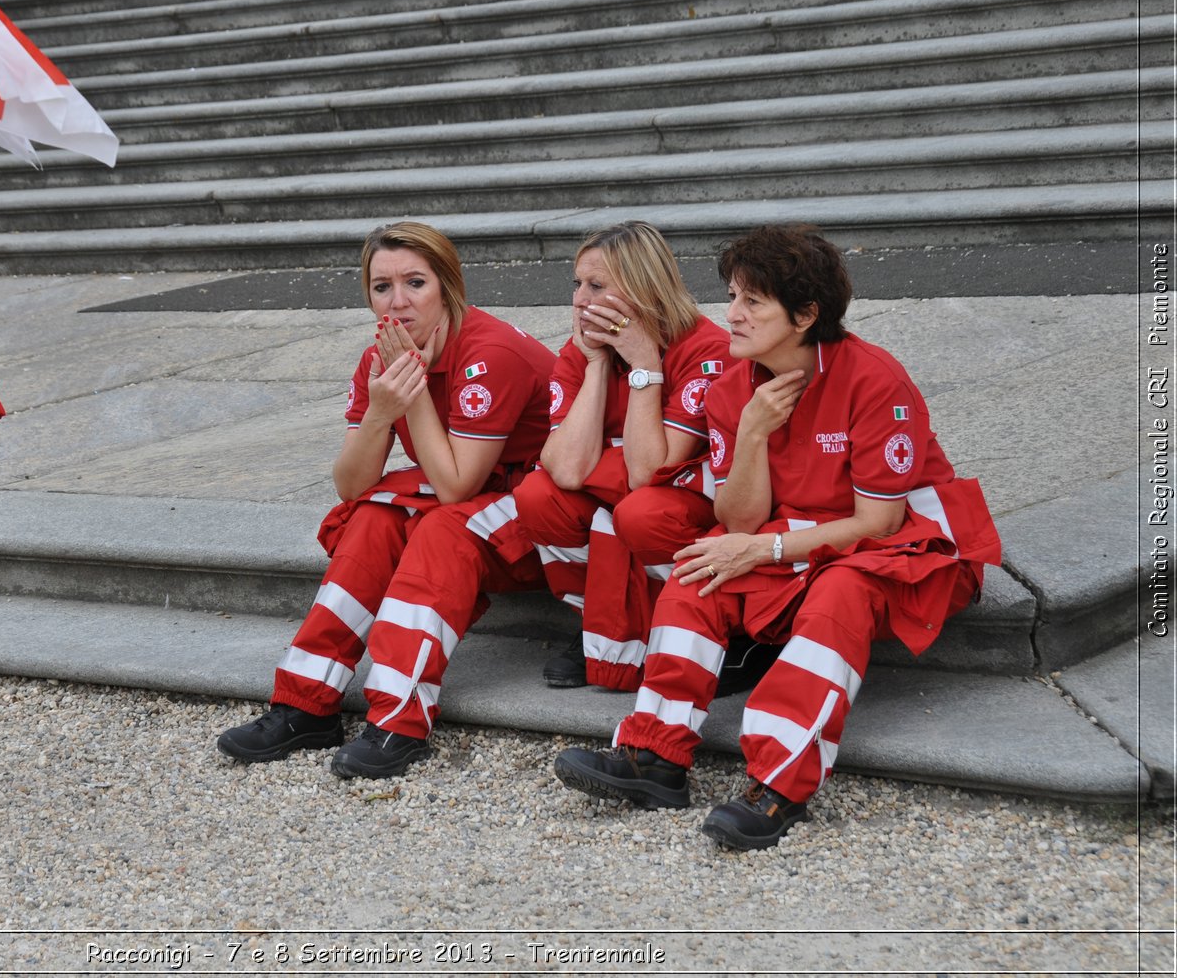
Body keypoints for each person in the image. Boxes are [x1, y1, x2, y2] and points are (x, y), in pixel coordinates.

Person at [552, 224, 1001, 850]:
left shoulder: (875, 380)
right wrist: (755, 434)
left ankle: (777, 785)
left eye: (751, 302)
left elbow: (880, 524)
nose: (730, 315)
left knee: (838, 595)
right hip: (796, 535)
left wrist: (764, 549)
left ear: (805, 314)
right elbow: (737, 520)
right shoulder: (736, 385)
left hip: (900, 546)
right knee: (695, 577)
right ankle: (653, 755)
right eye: (733, 296)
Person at [218, 222, 556, 778]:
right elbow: (350, 487)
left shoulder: (490, 353)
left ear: (448, 288)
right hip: (478, 493)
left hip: (540, 506)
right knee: (373, 515)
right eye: (381, 287)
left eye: (415, 284)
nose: (397, 303)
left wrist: (412, 392)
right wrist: (380, 411)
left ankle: (400, 718)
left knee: (445, 530)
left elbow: (455, 488)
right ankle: (305, 703)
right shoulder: (382, 355)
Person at [511, 222, 729, 692]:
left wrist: (646, 367)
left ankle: (693, 627)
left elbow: (649, 471)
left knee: (641, 512)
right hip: (618, 495)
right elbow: (566, 469)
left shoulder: (704, 348)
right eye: (577, 285)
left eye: (597, 286)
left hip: (686, 511)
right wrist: (595, 364)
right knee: (537, 497)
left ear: (642, 288)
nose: (579, 300)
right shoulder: (584, 349)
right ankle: (598, 622)